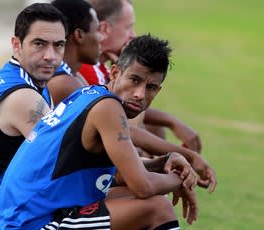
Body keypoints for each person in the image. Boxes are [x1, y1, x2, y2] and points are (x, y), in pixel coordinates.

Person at [0, 34, 199, 230]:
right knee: (158, 208)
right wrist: (180, 179)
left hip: (25, 217)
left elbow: (123, 174)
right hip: (30, 224)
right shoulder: (108, 107)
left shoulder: (88, 94)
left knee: (144, 199)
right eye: (135, 80)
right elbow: (142, 185)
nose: (139, 94)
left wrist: (163, 163)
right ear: (116, 73)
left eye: (151, 87)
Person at [0, 3, 67, 228]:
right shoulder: (24, 98)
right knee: (151, 207)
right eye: (39, 44)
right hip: (19, 220)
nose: (50, 56)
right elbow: (69, 159)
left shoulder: (15, 76)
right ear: (16, 44)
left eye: (58, 45)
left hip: (16, 211)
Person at [80, 0, 202, 154]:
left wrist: (170, 121)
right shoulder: (88, 73)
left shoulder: (101, 68)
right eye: (128, 27)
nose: (133, 35)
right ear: (104, 29)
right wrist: (187, 157)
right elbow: (126, 128)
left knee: (152, 125)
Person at [47, 0, 101, 106]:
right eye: (97, 30)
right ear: (79, 35)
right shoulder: (64, 84)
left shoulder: (73, 75)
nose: (101, 38)